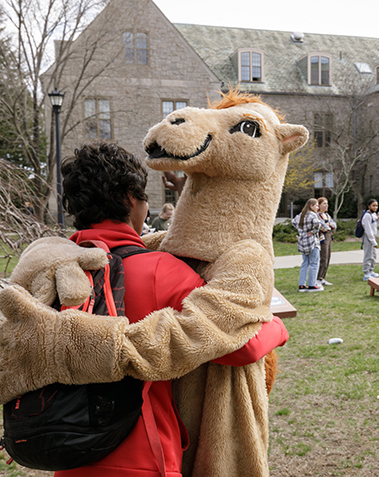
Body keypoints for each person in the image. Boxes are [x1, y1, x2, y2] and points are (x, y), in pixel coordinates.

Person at [55, 142, 287, 476]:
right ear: (130, 200)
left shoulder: (53, 268)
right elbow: (234, 344)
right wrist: (276, 328)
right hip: (142, 455)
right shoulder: (158, 270)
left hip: (66, 454)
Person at [291, 198, 327, 292]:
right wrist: (312, 231)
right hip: (312, 241)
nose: (317, 207)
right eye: (316, 205)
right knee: (314, 263)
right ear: (311, 206)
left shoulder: (301, 215)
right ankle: (312, 285)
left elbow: (293, 222)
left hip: (303, 242)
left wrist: (301, 231)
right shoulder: (312, 214)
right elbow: (318, 224)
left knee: (305, 263)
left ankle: (302, 285)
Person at [316, 197, 337, 286]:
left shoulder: (327, 215)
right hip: (322, 238)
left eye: (327, 203)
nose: (326, 205)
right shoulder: (317, 215)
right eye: (324, 204)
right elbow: (321, 227)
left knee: (328, 257)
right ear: (319, 205)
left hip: (329, 237)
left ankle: (323, 277)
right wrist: (326, 226)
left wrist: (328, 225)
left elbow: (334, 225)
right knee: (323, 258)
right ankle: (318, 278)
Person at [362, 198, 379, 280]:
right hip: (368, 237)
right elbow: (368, 230)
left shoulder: (374, 215)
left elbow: (375, 226)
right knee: (368, 255)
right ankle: (366, 272)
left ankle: (371, 270)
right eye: (373, 206)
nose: (375, 207)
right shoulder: (367, 216)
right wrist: (374, 242)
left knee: (373, 255)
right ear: (369, 206)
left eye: (376, 206)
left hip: (373, 236)